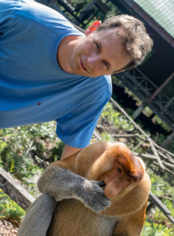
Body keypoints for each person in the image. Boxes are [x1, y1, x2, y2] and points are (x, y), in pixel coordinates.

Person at [0, 0, 153, 160]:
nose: (91, 61)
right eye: (97, 46)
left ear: (117, 71)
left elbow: (70, 160)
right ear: (92, 29)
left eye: (105, 64)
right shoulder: (25, 17)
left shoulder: (95, 92)